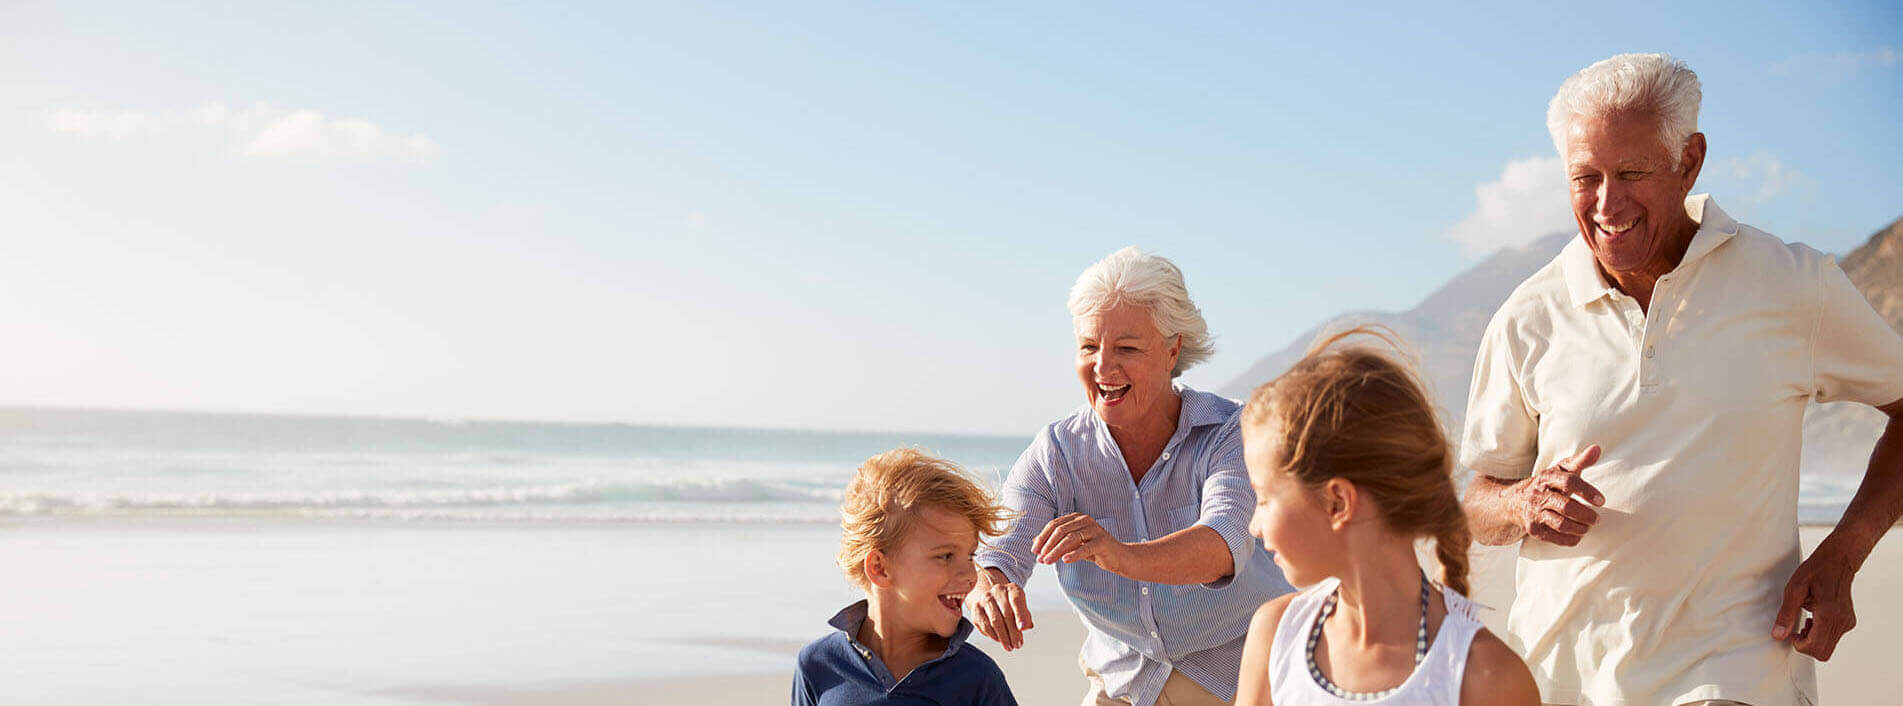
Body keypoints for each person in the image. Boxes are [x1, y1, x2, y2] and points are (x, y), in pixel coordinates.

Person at [1459, 53, 1903, 705]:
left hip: (1734, 673)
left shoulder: (1791, 285)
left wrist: (1844, 553)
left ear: (1688, 161)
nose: (1607, 203)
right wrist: (1521, 503)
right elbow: (1476, 502)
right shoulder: (1528, 314)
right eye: (1585, 178)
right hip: (1561, 680)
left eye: (1631, 172)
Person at [969, 246, 1294, 706]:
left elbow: (1222, 545)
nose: (1103, 367)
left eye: (1126, 348)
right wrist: (992, 586)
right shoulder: (1057, 452)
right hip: (1123, 684)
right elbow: (999, 549)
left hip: (1242, 677)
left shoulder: (1230, 433)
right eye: (1088, 347)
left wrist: (1118, 554)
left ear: (1172, 350)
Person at [1232, 327, 1538, 706]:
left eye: (1263, 499)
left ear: (1337, 503)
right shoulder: (1276, 636)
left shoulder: (1487, 678)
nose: (1253, 526)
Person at [792, 448, 1019, 705]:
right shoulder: (817, 666)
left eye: (970, 555)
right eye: (946, 556)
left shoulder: (978, 680)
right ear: (880, 568)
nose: (969, 575)